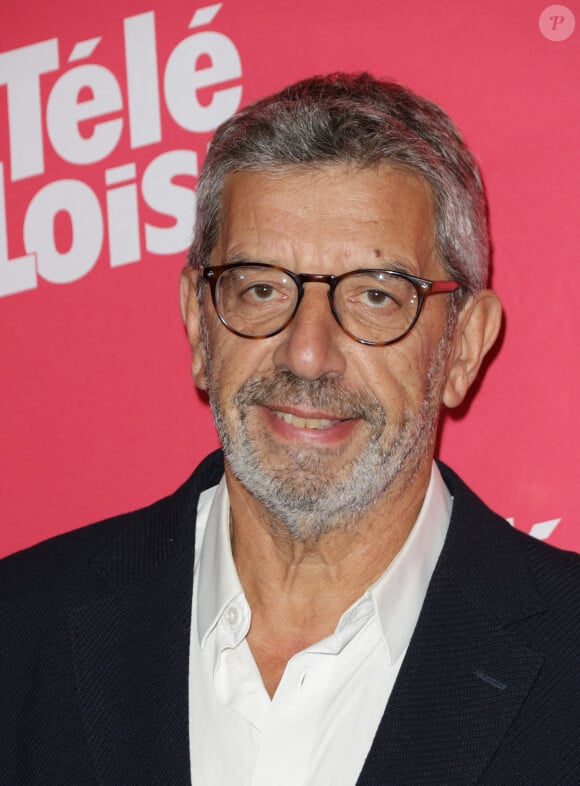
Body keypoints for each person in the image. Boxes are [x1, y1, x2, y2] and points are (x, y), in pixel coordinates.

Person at [1, 73, 578, 785]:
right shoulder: (19, 633)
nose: (307, 352)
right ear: (197, 323)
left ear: (462, 346)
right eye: (261, 287)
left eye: (373, 296)